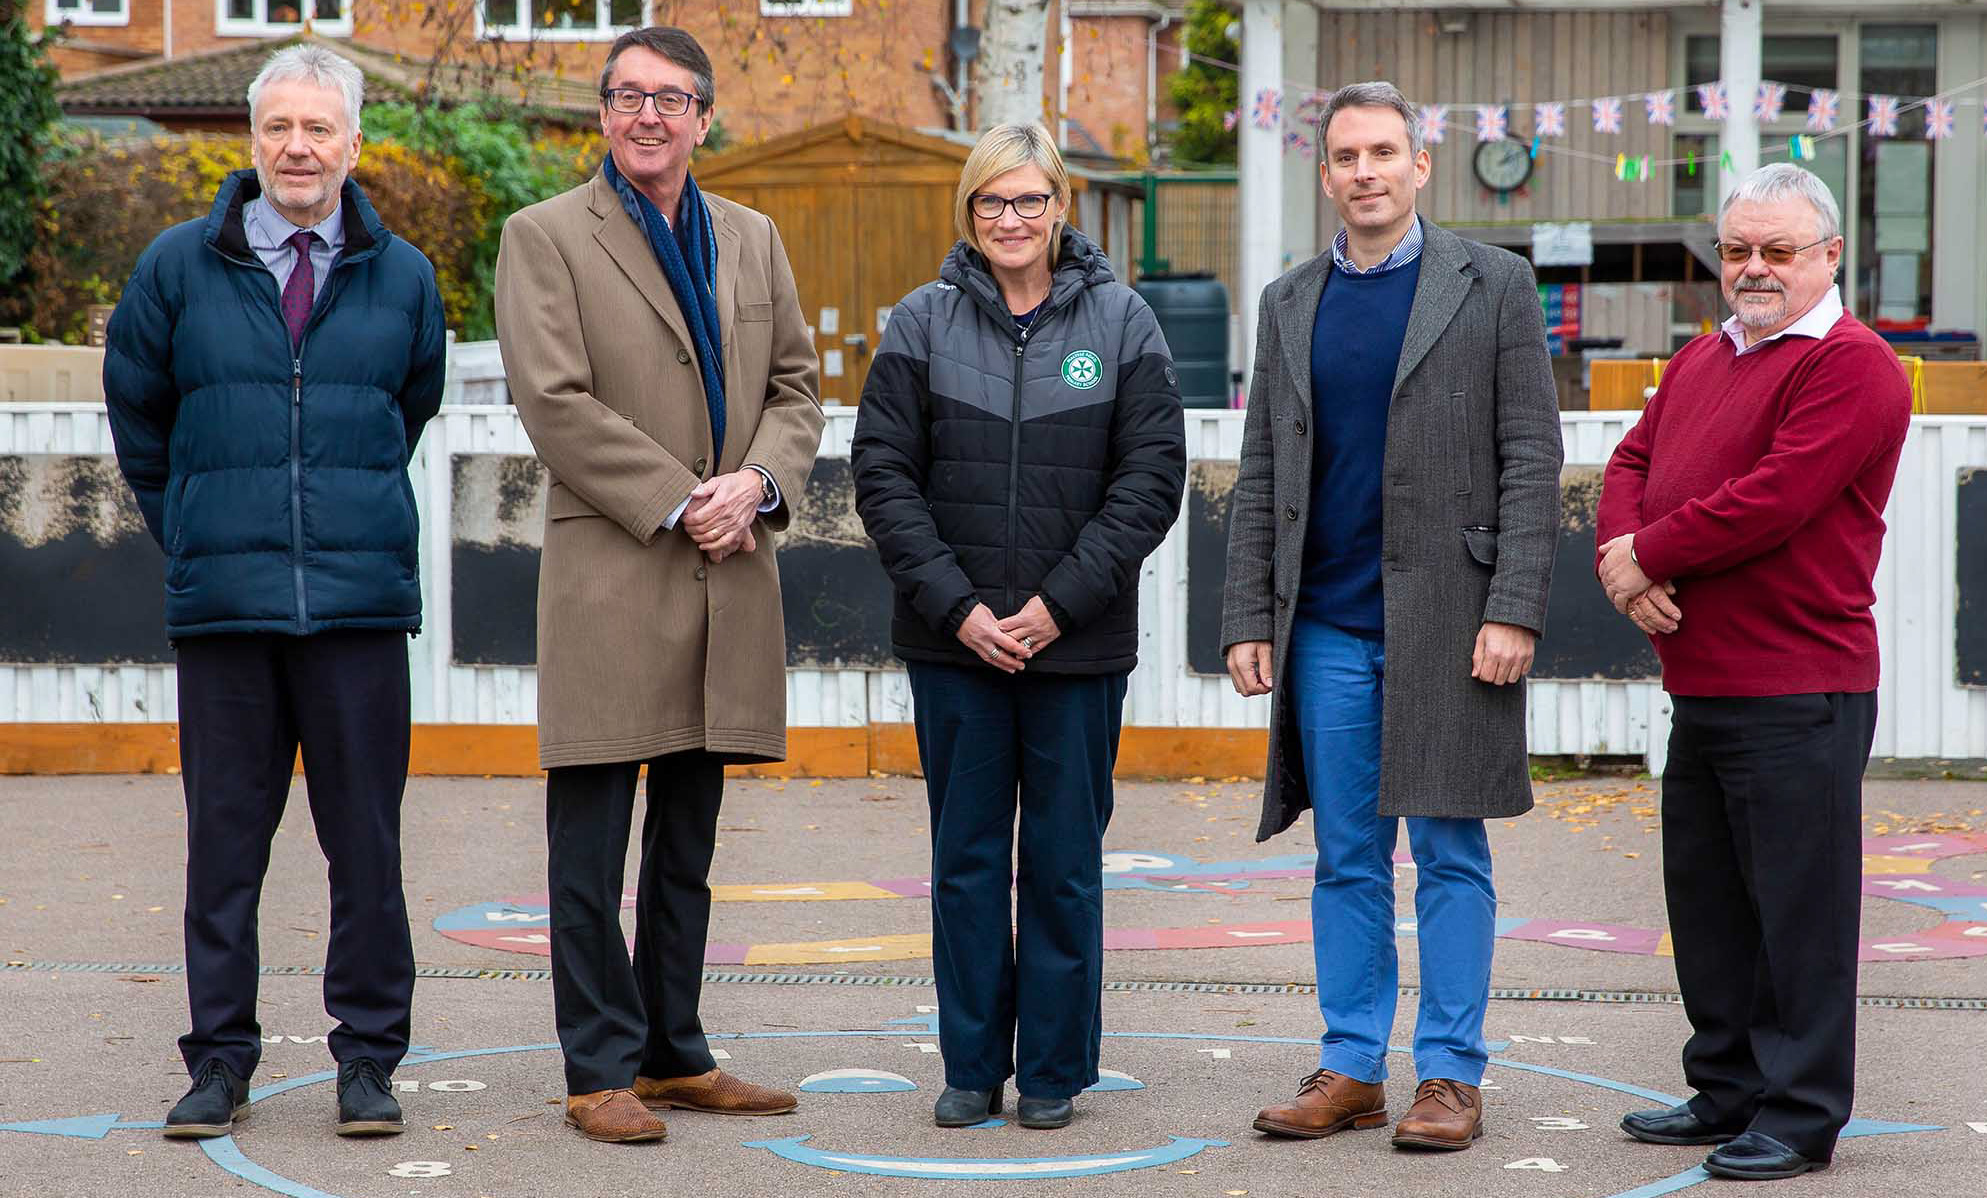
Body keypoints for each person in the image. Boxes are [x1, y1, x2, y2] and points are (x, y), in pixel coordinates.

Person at [103, 44, 445, 1140]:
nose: (299, 148)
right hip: (226, 612)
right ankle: (218, 1061)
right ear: (252, 141)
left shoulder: (404, 275)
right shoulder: (175, 266)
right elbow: (139, 421)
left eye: (320, 129)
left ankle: (368, 1062)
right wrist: (202, 529)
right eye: (279, 129)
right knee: (224, 850)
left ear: (352, 141)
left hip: (355, 611)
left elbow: (410, 404)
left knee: (368, 850)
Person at [492, 26, 822, 1145]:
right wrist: (689, 494)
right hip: (616, 572)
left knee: (688, 843)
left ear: (702, 116)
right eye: (627, 96)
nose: (647, 116)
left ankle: (673, 1051)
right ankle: (597, 1066)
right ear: (601, 112)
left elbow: (795, 385)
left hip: (726, 578)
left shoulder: (753, 236)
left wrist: (762, 480)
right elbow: (555, 401)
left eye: (668, 99)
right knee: (588, 848)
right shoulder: (542, 237)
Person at [1220, 81, 1561, 1151]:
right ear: (1322, 174)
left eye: (1381, 152)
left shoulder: (1493, 284)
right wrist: (1246, 615)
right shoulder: (1287, 300)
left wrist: (1511, 606)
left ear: (1419, 165)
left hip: (1455, 622)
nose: (1363, 171)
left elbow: (1530, 457)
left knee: (1451, 851)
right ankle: (1352, 1064)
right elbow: (1264, 464)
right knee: (1346, 857)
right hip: (1323, 623)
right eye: (1343, 156)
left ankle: (1450, 1075)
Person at [852, 122, 1186, 1131]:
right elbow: (882, 479)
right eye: (990, 202)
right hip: (951, 649)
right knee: (962, 860)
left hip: (1075, 647)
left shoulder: (1123, 323)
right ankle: (967, 1066)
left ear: (1057, 208)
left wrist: (1051, 607)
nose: (1010, 219)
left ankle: (1049, 1070)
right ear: (968, 210)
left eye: (1028, 200)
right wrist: (960, 610)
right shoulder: (918, 323)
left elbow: (1147, 482)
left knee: (1061, 860)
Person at [1595, 163, 1910, 1182]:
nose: (1753, 268)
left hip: (1800, 684)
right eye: (1736, 250)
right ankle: (1724, 1086)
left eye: (1777, 250)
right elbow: (1629, 464)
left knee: (1798, 915)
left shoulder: (1851, 366)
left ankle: (1801, 1110)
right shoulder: (1703, 358)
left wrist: (1648, 555)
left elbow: (1771, 499)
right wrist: (1621, 560)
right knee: (1711, 907)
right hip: (1704, 681)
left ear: (1826, 256)